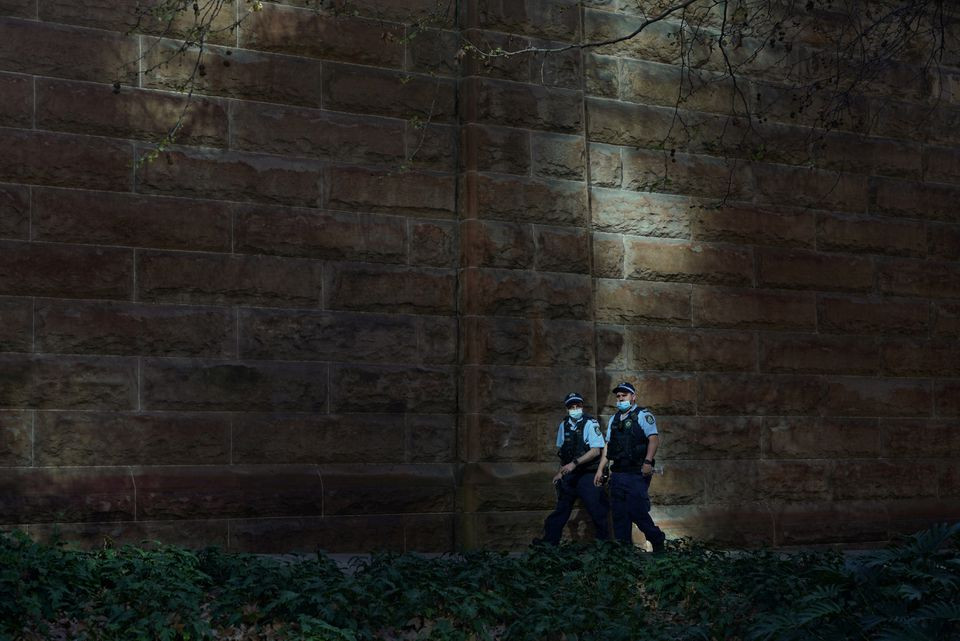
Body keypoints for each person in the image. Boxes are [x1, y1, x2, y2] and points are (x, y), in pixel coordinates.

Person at [593, 381, 666, 552]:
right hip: (618, 473)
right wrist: (600, 468)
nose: (620, 399)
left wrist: (648, 462)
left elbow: (653, 440)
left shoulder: (643, 415)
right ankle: (624, 552)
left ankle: (657, 540)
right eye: (618, 396)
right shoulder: (614, 419)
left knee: (637, 511)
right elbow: (608, 446)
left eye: (624, 395)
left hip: (637, 472)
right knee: (619, 514)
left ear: (633, 397)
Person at [540, 392, 609, 545]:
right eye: (572, 406)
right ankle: (548, 543)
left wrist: (574, 463)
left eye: (578, 405)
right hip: (571, 475)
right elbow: (563, 454)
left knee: (597, 510)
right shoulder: (564, 425)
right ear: (567, 409)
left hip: (588, 474)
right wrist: (560, 472)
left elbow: (596, 451)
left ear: (582, 406)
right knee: (561, 509)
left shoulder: (590, 423)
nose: (575, 408)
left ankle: (604, 546)